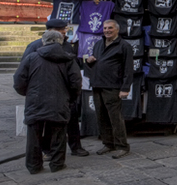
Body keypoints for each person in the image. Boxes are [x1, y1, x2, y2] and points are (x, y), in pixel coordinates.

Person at [14, 30, 82, 173]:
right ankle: (57, 164)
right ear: (60, 41)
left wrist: (28, 94)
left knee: (34, 135)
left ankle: (33, 166)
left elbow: (19, 80)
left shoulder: (31, 58)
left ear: (43, 41)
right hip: (60, 101)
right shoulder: (68, 59)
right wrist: (70, 98)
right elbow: (76, 83)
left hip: (35, 100)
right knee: (59, 134)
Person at [21, 18, 89, 157]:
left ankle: (75, 146)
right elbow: (23, 72)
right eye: (62, 30)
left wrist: (73, 91)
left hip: (66, 92)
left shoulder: (66, 46)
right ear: (51, 31)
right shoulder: (34, 46)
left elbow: (74, 69)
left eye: (65, 29)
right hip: (44, 93)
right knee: (47, 124)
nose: (65, 32)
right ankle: (48, 150)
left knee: (72, 120)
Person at [84, 19, 133, 159]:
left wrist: (125, 88)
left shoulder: (124, 46)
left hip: (112, 87)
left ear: (117, 29)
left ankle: (122, 146)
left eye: (110, 28)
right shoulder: (99, 44)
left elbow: (128, 69)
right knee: (101, 116)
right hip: (97, 85)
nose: (107, 30)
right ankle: (108, 143)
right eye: (105, 28)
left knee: (115, 118)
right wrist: (89, 62)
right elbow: (93, 65)